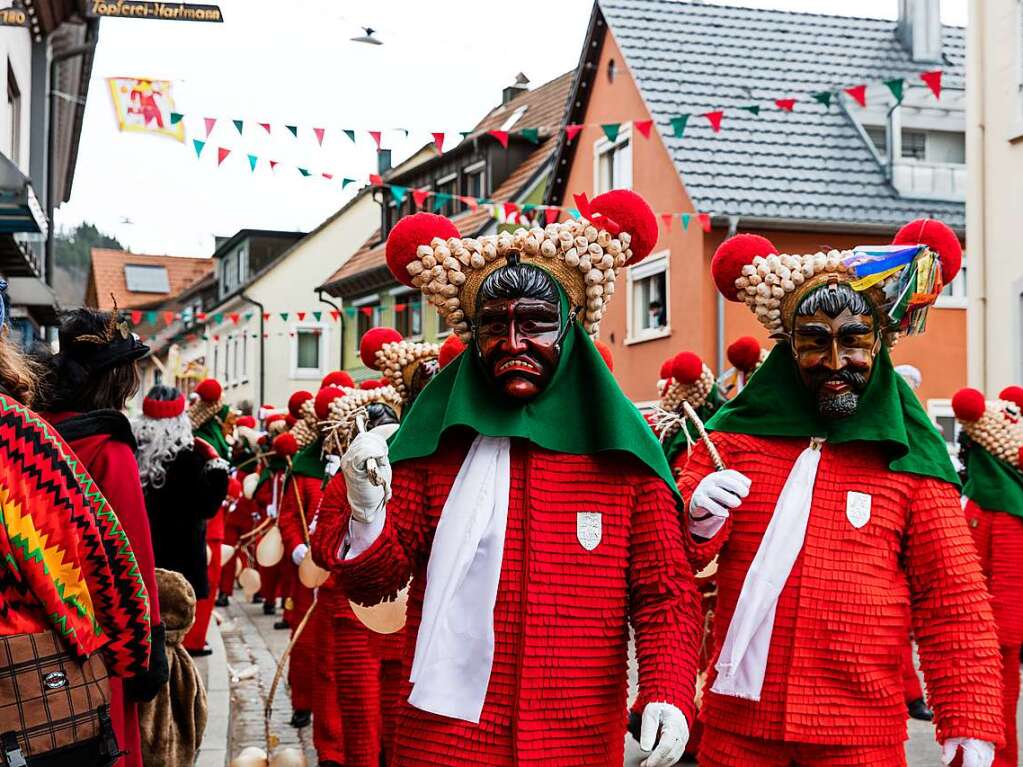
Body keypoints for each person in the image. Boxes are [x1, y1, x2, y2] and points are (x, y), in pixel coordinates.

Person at [327, 191, 702, 767]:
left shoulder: (626, 458)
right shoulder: (434, 449)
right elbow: (375, 585)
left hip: (575, 739)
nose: (513, 343)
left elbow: (665, 596)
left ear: (571, 329)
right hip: (443, 735)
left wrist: (668, 693)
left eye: (536, 324)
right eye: (493, 326)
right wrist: (365, 511)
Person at [678, 223, 1003, 767]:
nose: (835, 362)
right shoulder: (732, 441)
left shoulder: (910, 459)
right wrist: (696, 516)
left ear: (877, 343)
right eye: (815, 341)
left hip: (861, 733)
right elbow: (677, 560)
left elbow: (953, 600)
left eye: (853, 340)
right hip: (737, 730)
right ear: (789, 347)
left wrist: (969, 719)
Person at [0, 304, 152, 766]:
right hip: (43, 667)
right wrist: (139, 653)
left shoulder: (46, 428)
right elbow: (119, 562)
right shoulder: (25, 438)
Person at [38, 308, 167, 767]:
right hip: (99, 637)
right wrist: (147, 647)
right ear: (115, 380)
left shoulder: (31, 435)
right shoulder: (108, 450)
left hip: (32, 634)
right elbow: (132, 558)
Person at [953, 385, 1023, 767]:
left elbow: (1011, 585)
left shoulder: (1003, 510)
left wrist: (992, 638)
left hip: (991, 640)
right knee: (970, 718)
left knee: (993, 716)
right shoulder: (979, 501)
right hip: (973, 634)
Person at [133, 385, 229, 603]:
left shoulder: (132, 452)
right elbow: (208, 506)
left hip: (142, 560)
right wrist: (217, 468)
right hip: (183, 565)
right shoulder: (189, 458)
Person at [183, 378, 233, 656]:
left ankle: (194, 636)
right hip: (208, 517)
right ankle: (194, 639)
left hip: (207, 515)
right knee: (205, 581)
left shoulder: (204, 430)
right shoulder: (207, 436)